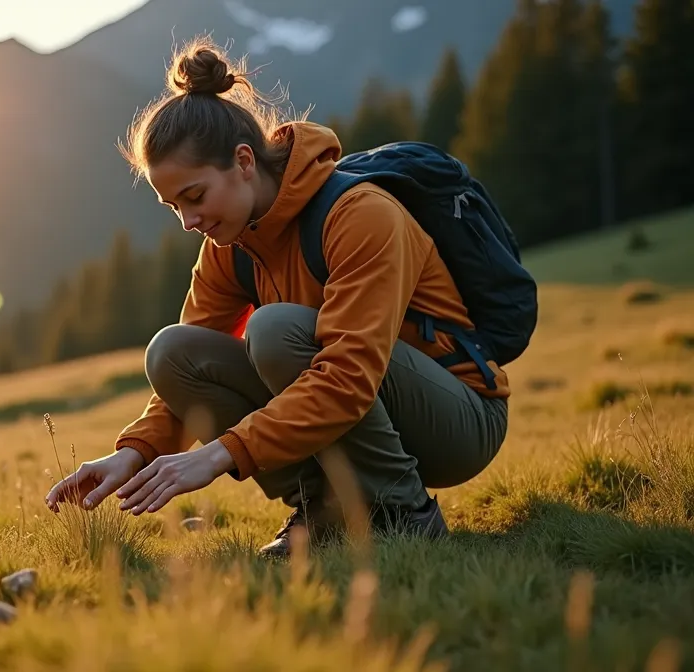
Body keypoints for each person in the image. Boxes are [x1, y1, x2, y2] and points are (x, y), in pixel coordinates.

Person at [43, 37, 511, 558]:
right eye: (174, 207)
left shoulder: (359, 214)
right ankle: (323, 511)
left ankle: (404, 513)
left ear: (244, 161)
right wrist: (133, 454)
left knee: (274, 331)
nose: (188, 222)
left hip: (456, 420)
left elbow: (349, 376)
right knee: (174, 352)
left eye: (195, 196)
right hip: (360, 406)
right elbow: (187, 368)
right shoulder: (228, 243)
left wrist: (222, 453)